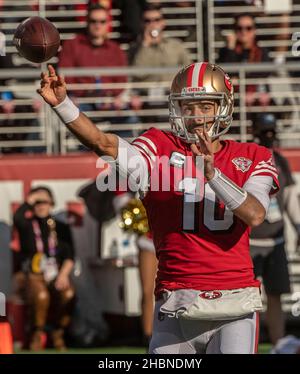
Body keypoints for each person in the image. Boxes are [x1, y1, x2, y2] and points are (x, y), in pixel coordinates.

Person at [38, 62, 279, 354]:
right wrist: (63, 105)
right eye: (188, 107)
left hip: (234, 303)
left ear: (223, 108)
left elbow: (254, 214)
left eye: (205, 106)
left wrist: (213, 174)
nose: (197, 116)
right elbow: (104, 145)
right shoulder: (158, 146)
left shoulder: (252, 156)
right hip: (176, 299)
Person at [250, 113, 300, 346]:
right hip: (250, 241)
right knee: (249, 298)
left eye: (271, 131)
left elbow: (290, 199)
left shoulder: (280, 161)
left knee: (275, 294)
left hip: (276, 240)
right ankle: (249, 343)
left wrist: (298, 227)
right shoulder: (247, 157)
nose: (268, 136)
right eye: (264, 131)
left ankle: (278, 344)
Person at [58, 4, 139, 139]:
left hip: (110, 102)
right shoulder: (72, 45)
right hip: (82, 101)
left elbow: (121, 81)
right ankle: (83, 159)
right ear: (87, 22)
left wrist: (113, 96)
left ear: (108, 23)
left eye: (102, 21)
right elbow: (66, 76)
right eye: (93, 21)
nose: (98, 25)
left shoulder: (115, 49)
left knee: (129, 119)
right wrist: (79, 94)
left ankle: (123, 158)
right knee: (76, 123)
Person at [13, 187, 75, 351]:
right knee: (41, 296)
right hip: (34, 274)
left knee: (68, 294)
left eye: (44, 201)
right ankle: (36, 334)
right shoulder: (27, 225)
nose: (41, 206)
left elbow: (70, 255)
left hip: (56, 273)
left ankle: (58, 332)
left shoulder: (60, 227)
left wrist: (63, 275)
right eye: (37, 202)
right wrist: (30, 199)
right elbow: (17, 217)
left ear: (52, 203)